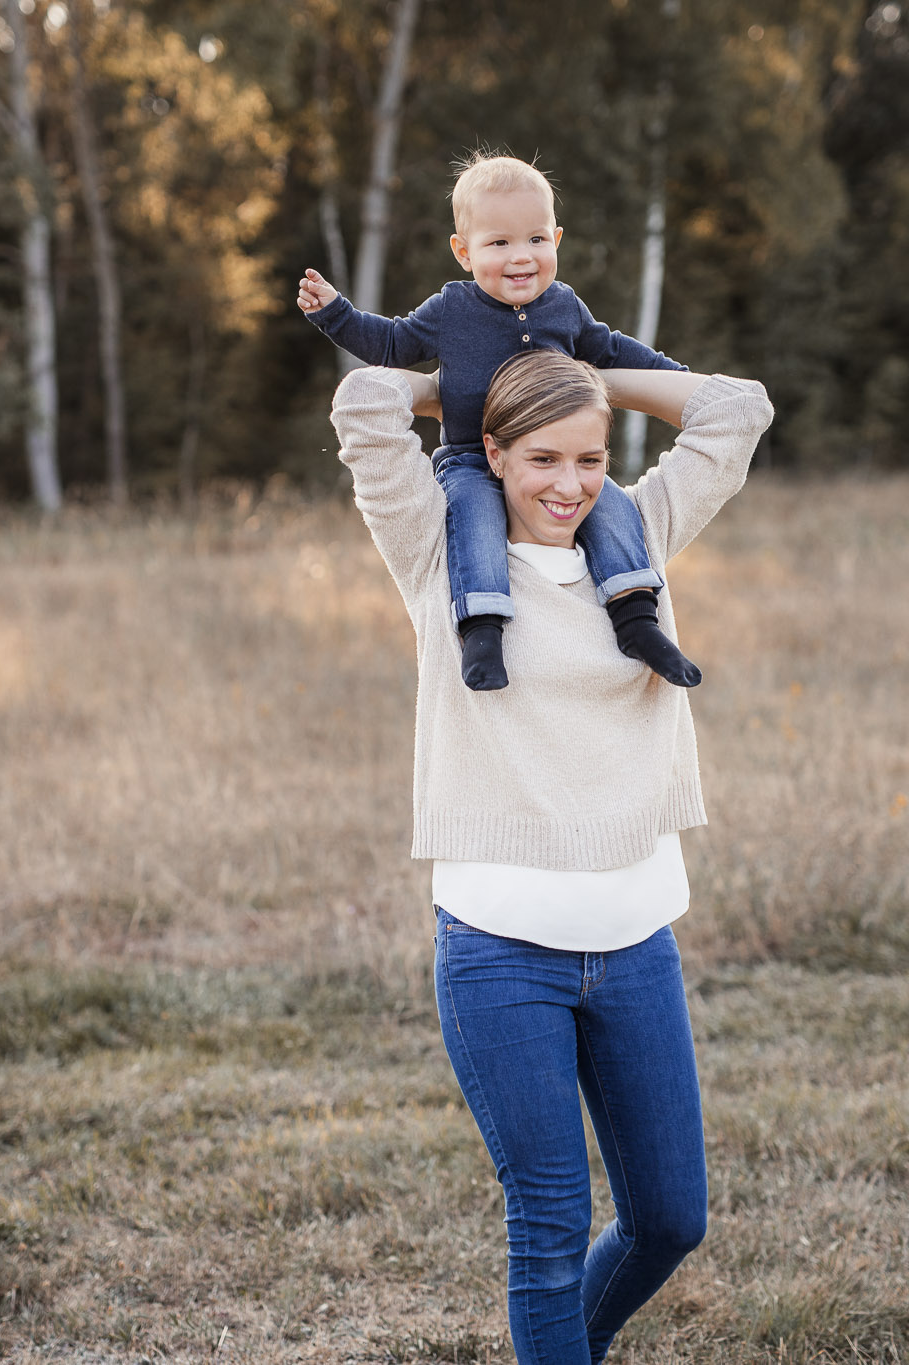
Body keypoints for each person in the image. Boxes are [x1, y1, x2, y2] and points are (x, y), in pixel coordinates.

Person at [330, 349, 773, 1363]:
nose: (568, 485)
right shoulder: (439, 551)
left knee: (669, 1220)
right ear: (490, 453)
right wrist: (481, 376)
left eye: (587, 457)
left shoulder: (641, 537)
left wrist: (593, 383)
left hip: (634, 945)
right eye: (539, 458)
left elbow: (734, 410)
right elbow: (363, 400)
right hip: (500, 953)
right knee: (545, 1227)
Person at [299, 153, 699, 694]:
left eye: (537, 240)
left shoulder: (564, 306)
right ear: (463, 252)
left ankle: (636, 622)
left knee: (611, 509)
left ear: (557, 239)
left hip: (555, 458)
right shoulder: (452, 309)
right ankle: (483, 630)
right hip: (469, 455)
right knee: (474, 519)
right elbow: (393, 344)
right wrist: (335, 314)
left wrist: (679, 378)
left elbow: (611, 350)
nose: (521, 257)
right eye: (498, 243)